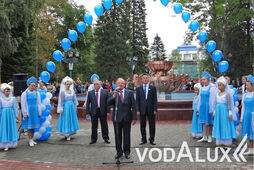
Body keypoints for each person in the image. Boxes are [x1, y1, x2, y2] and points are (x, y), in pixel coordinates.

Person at [108, 78, 137, 159]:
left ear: (124, 84)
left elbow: (134, 105)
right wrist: (114, 96)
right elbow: (108, 103)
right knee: (117, 136)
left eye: (122, 83)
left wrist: (134, 117)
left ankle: (127, 152)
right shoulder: (112, 93)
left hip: (127, 118)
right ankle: (119, 152)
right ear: (116, 84)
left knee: (127, 136)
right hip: (117, 118)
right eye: (119, 83)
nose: (120, 84)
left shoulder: (130, 93)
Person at [212, 77, 236, 145]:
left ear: (224, 86)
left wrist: (230, 113)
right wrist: (214, 112)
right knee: (219, 124)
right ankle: (220, 140)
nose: (219, 87)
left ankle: (227, 140)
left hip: (224, 112)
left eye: (220, 85)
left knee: (225, 124)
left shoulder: (227, 94)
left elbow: (229, 104)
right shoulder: (217, 94)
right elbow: (215, 103)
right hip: (218, 111)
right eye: (218, 85)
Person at [86, 80, 110, 144]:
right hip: (94, 111)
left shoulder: (105, 92)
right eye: (94, 84)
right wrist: (87, 112)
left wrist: (108, 111)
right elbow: (88, 103)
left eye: (97, 84)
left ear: (100, 85)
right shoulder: (90, 93)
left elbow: (108, 103)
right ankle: (93, 139)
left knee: (104, 125)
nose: (96, 85)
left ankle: (106, 138)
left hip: (102, 111)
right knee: (94, 126)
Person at [136, 74, 158, 145]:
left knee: (152, 125)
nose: (145, 79)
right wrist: (138, 110)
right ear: (142, 79)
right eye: (144, 78)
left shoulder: (153, 88)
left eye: (146, 78)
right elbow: (137, 100)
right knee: (142, 125)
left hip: (151, 110)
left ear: (148, 79)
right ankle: (143, 139)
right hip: (142, 110)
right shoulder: (138, 88)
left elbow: (155, 99)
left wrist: (155, 109)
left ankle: (152, 139)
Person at [56, 76, 80, 141]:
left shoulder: (72, 91)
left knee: (71, 119)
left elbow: (75, 100)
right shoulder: (62, 92)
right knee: (66, 119)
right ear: (65, 84)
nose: (68, 85)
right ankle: (66, 133)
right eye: (67, 84)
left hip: (71, 107)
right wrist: (61, 109)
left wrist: (75, 107)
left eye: (69, 84)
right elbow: (61, 101)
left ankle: (70, 132)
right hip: (66, 107)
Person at [21, 77, 41, 147]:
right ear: (29, 85)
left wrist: (39, 112)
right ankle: (30, 140)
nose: (33, 86)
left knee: (33, 126)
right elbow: (23, 104)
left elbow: (39, 103)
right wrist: (25, 113)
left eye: (34, 85)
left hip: (35, 111)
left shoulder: (37, 93)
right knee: (29, 126)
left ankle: (32, 139)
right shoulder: (25, 93)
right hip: (29, 111)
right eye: (32, 85)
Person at [196, 72, 216, 143]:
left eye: (204, 79)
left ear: (208, 80)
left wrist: (212, 109)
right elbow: (199, 99)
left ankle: (209, 136)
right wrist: (198, 108)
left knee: (210, 122)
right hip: (202, 107)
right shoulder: (201, 88)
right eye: (202, 79)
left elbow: (213, 99)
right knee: (204, 122)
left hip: (209, 107)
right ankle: (204, 136)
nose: (203, 81)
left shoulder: (212, 88)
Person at [0, 83, 19, 151]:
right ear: (3, 92)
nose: (8, 92)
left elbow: (15, 107)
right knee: (5, 128)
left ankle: (11, 143)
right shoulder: (1, 99)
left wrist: (16, 115)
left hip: (10, 116)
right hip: (4, 116)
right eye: (6, 91)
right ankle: (5, 144)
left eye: (9, 91)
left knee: (10, 128)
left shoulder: (13, 98)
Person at [240, 75, 254, 155]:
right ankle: (251, 148)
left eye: (248, 85)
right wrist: (242, 117)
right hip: (246, 115)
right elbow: (243, 107)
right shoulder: (244, 95)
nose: (246, 87)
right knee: (248, 131)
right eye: (246, 85)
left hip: (253, 115)